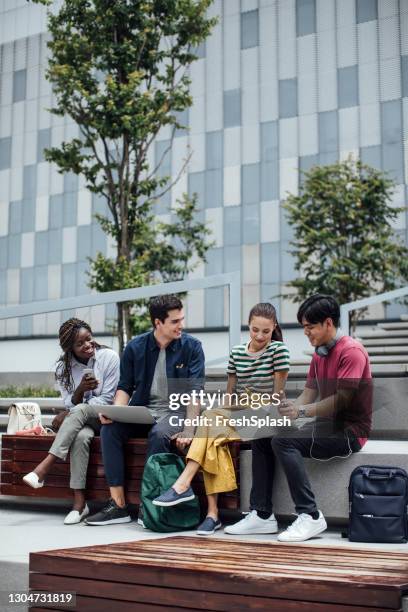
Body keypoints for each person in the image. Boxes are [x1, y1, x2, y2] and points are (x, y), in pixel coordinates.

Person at [225, 294, 372, 542]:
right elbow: (308, 394)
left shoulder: (352, 352)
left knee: (284, 441)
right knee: (265, 433)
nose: (306, 333)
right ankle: (262, 515)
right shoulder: (319, 353)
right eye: (304, 327)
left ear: (328, 323)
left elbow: (342, 400)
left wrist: (301, 412)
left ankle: (310, 515)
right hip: (325, 425)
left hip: (350, 432)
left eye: (309, 327)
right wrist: (288, 409)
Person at [153, 302, 290, 535]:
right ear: (248, 325)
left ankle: (185, 486)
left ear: (274, 327)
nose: (259, 336)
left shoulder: (279, 351)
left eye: (266, 331)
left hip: (265, 419)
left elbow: (274, 401)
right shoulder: (237, 353)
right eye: (255, 330)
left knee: (208, 424)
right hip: (239, 416)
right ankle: (211, 514)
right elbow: (229, 400)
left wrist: (250, 404)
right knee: (211, 429)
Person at [85, 294, 205, 526]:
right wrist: (115, 411)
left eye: (182, 319)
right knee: (109, 430)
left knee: (159, 434)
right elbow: (125, 387)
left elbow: (194, 392)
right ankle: (118, 505)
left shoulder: (192, 347)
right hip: (143, 412)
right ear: (157, 323)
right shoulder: (135, 347)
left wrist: (189, 430)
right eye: (175, 321)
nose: (181, 325)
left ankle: (147, 506)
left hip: (176, 413)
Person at [22, 318, 120, 524]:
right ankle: (79, 504)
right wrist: (80, 390)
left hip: (108, 418)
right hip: (82, 422)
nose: (88, 345)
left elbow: (109, 398)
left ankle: (43, 468)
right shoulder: (63, 368)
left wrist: (76, 407)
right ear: (69, 348)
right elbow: (69, 402)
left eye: (89, 339)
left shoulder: (109, 358)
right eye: (80, 343)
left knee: (82, 410)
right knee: (81, 437)